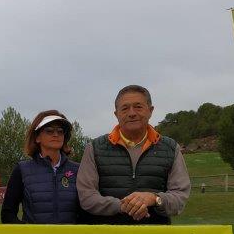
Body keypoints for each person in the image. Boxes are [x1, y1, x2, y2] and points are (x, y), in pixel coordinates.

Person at [77, 84, 190, 224]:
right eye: (125, 108)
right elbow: (87, 196)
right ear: (116, 114)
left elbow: (179, 197)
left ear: (150, 110)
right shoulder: (94, 148)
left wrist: (154, 199)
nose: (131, 113)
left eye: (138, 106)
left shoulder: (171, 148)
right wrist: (122, 206)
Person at [1, 110, 83, 224]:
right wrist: (28, 232)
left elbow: (86, 212)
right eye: (49, 131)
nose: (56, 134)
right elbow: (7, 214)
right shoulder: (22, 169)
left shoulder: (79, 170)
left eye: (60, 131)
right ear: (37, 137)